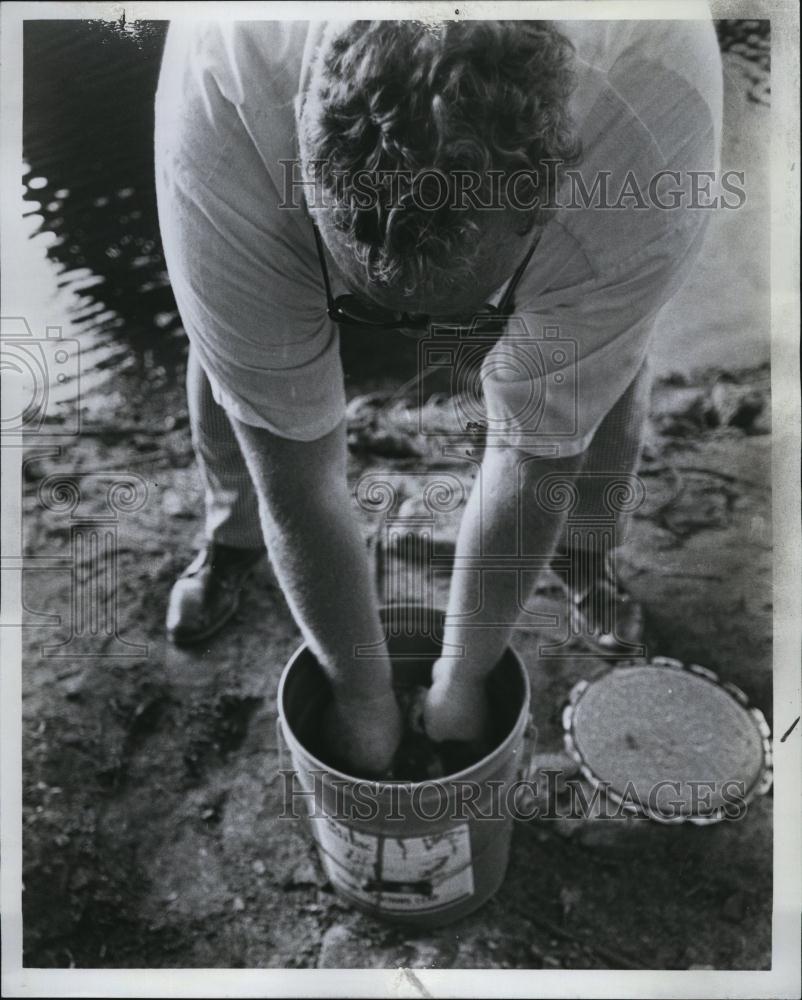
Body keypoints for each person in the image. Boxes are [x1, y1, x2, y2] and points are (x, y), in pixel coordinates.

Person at [154, 18, 723, 776]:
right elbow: (298, 477)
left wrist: (464, 677)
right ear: (308, 174)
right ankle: (230, 536)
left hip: (610, 177)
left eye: (456, 307)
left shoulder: (654, 133)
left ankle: (588, 552)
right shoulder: (224, 100)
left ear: (543, 202)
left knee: (601, 367)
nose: (413, 331)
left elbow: (535, 452)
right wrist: (360, 693)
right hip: (251, 153)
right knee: (237, 347)